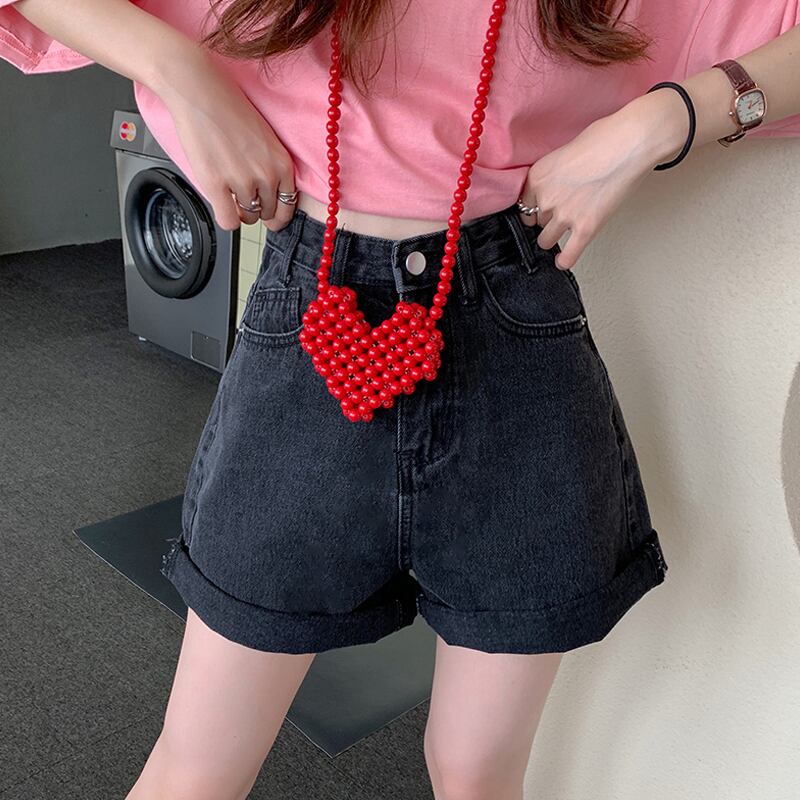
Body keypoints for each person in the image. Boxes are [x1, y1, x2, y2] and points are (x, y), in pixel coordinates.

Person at [3, 1, 799, 797]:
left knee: (476, 771)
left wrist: (664, 120)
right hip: (314, 314)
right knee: (198, 767)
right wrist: (178, 69)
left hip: (513, 339)